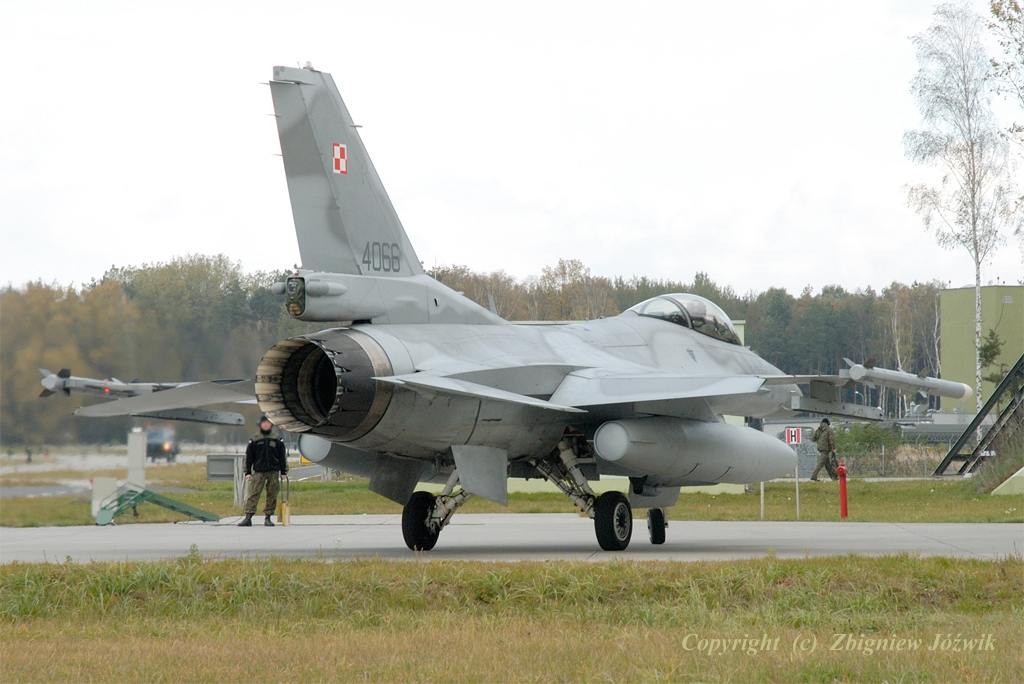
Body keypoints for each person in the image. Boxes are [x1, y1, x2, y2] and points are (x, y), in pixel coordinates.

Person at [239, 415, 288, 527]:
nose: (266, 425)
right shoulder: (255, 438)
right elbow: (249, 456)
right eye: (264, 423)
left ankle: (268, 517)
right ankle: (248, 516)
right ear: (260, 424)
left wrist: (283, 471)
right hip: (259, 471)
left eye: (268, 423)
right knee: (254, 493)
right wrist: (248, 472)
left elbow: (282, 455)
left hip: (273, 471)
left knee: (272, 494)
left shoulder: (277, 438)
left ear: (271, 424)